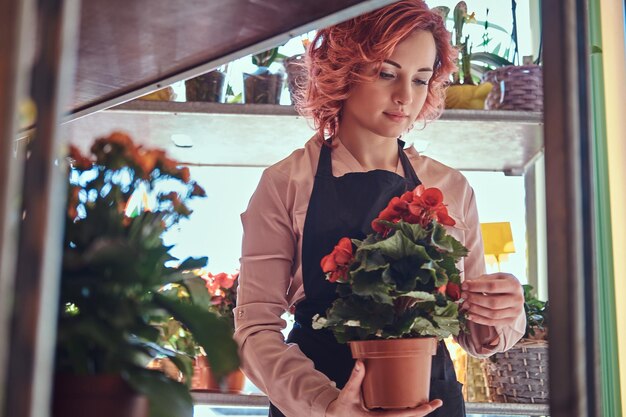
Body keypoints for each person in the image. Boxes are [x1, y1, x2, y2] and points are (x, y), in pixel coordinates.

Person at [233, 1, 526, 416]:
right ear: (345, 69)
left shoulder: (450, 188)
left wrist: (503, 312)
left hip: (432, 401)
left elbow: (476, 336)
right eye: (387, 73)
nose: (405, 96)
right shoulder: (285, 183)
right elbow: (255, 330)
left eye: (421, 80)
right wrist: (326, 404)